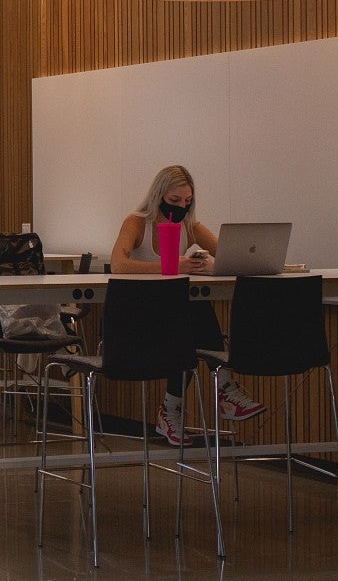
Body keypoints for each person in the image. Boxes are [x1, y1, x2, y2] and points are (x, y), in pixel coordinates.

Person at [110, 165, 264, 446]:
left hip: (173, 318)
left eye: (187, 202)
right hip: (138, 314)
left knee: (191, 312)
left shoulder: (188, 226)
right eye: (174, 201)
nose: (181, 207)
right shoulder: (136, 222)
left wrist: (208, 265)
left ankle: (180, 407)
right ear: (158, 196)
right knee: (190, 313)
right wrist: (172, 265)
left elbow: (230, 254)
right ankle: (223, 387)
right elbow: (119, 264)